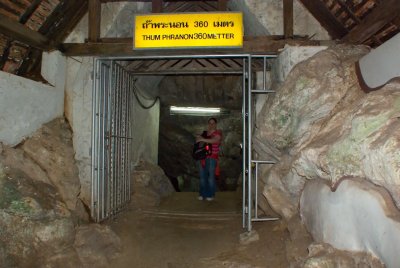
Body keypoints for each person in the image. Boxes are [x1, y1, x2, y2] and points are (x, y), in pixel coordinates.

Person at [196, 117, 222, 201]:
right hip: (202, 158)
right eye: (210, 123)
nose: (211, 125)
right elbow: (198, 142)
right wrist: (199, 138)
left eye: (213, 123)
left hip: (212, 157)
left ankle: (210, 194)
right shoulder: (204, 133)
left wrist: (202, 139)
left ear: (215, 124)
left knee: (210, 177)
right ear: (208, 124)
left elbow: (215, 140)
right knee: (202, 177)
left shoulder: (218, 133)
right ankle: (202, 194)